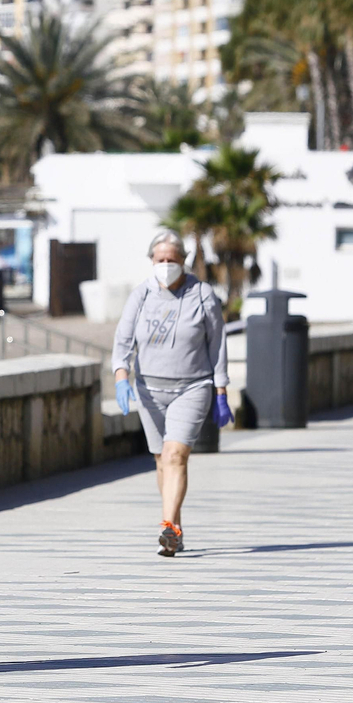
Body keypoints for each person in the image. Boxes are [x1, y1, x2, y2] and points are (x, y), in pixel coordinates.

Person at [111, 229, 231, 557]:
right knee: (161, 460)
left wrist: (220, 390)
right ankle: (174, 530)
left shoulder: (202, 294)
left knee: (176, 455)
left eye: (172, 259)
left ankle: (168, 525)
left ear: (183, 261)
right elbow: (123, 341)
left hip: (192, 387)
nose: (166, 265)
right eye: (160, 259)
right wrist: (121, 375)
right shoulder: (142, 295)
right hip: (149, 389)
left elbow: (217, 343)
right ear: (152, 261)